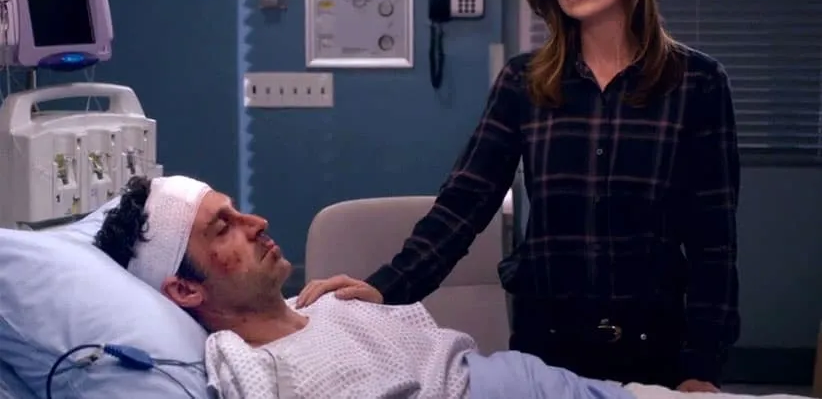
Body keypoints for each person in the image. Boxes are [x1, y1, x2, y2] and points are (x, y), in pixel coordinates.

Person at [295, 0, 741, 393]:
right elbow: (465, 202)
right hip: (549, 345)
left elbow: (713, 240)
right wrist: (384, 287)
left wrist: (701, 367)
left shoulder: (697, 83)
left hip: (654, 344)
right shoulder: (524, 81)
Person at [91, 174, 765, 399]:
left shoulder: (325, 302)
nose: (257, 223)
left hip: (542, 381)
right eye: (224, 228)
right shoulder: (249, 367)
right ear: (185, 291)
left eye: (239, 211)